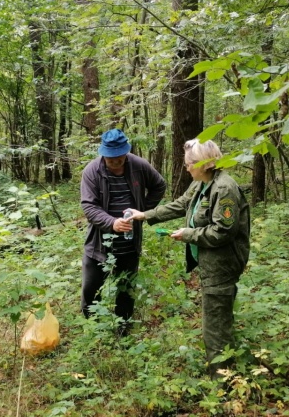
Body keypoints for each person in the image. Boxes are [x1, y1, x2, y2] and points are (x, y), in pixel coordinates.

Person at [127, 138, 250, 379]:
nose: (186, 168)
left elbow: (222, 232)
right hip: (209, 263)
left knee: (215, 328)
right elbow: (181, 205)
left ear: (206, 163)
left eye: (190, 163)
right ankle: (224, 374)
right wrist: (144, 215)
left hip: (222, 265)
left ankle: (223, 383)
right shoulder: (201, 183)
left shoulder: (224, 188)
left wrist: (188, 234)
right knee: (217, 319)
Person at [80, 129, 166, 334]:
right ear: (104, 154)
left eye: (120, 158)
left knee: (126, 289)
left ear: (126, 152)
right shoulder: (92, 171)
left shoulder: (139, 166)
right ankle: (92, 329)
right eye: (112, 160)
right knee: (91, 289)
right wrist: (112, 223)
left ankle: (123, 329)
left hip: (130, 243)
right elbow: (89, 208)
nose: (117, 162)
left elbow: (159, 185)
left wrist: (143, 211)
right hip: (99, 243)